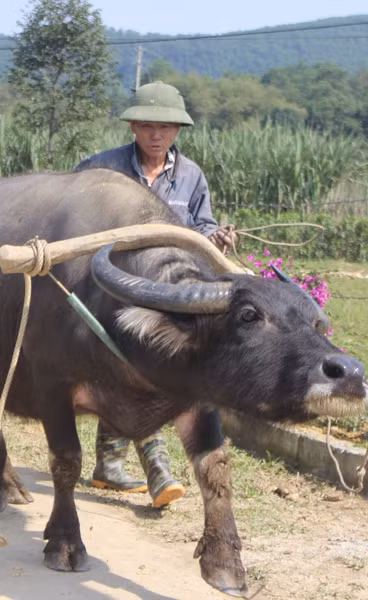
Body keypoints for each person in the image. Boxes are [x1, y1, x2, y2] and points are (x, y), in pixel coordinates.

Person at [73, 81, 236, 508]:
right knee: (135, 369)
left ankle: (110, 465)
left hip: (167, 293)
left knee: (138, 368)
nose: (156, 135)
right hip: (109, 289)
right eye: (147, 126)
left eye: (164, 127)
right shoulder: (102, 169)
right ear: (133, 127)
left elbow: (201, 226)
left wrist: (215, 237)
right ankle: (157, 468)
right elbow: (68, 212)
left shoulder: (191, 176)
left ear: (177, 130)